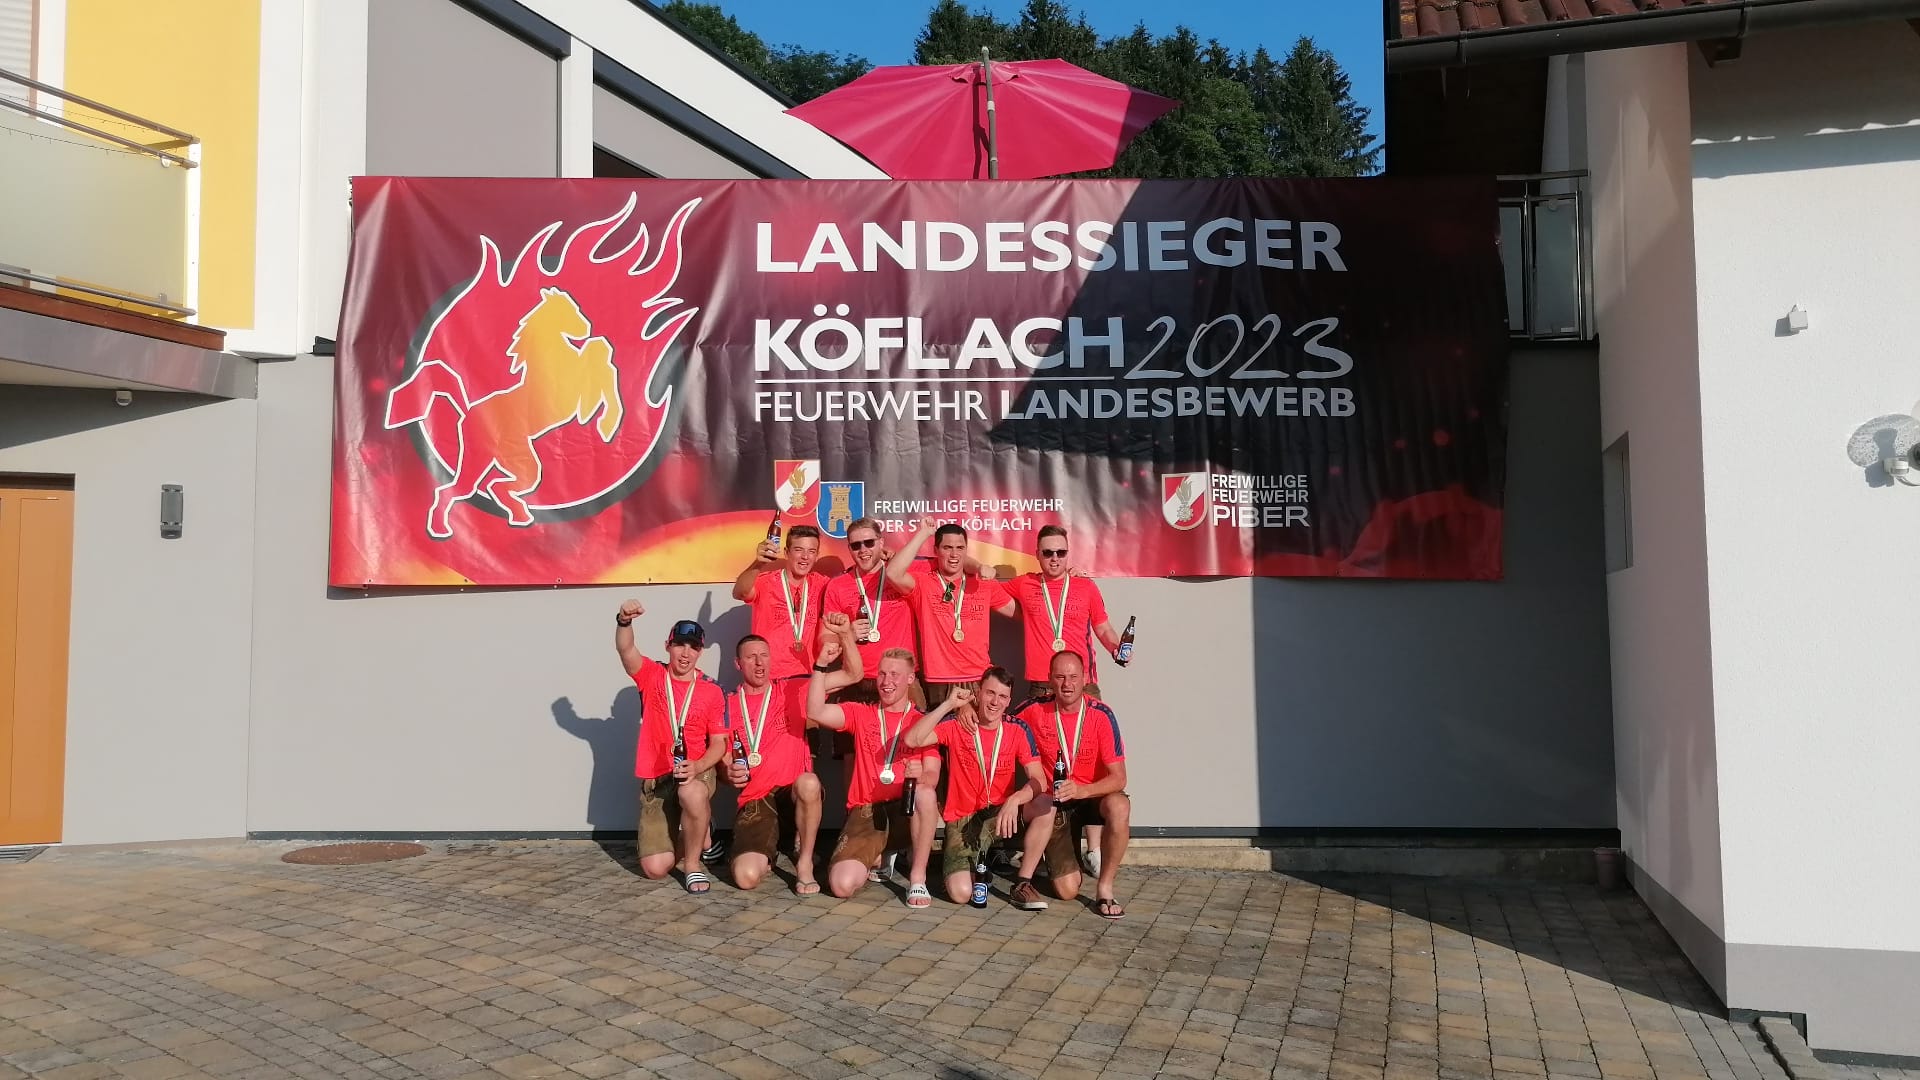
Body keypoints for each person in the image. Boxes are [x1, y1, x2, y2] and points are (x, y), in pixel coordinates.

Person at [805, 618, 942, 907]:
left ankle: (917, 879)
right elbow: (815, 711)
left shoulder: (921, 722)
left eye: (895, 675)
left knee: (926, 795)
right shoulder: (861, 713)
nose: (886, 681)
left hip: (904, 811)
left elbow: (932, 776)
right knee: (841, 885)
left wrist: (921, 776)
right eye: (882, 674)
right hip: (867, 812)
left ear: (910, 679)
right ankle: (882, 853)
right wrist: (820, 666)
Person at [903, 666, 1054, 910]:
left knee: (1046, 804)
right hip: (964, 820)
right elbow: (912, 739)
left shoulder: (1017, 729)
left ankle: (1022, 884)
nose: (995, 702)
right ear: (979, 693)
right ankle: (978, 866)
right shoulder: (957, 724)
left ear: (1009, 701)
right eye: (990, 693)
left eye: (1002, 696)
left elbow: (1039, 780)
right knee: (961, 893)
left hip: (1000, 816)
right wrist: (949, 705)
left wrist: (1015, 799)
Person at [612, 601, 730, 894]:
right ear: (668, 646)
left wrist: (698, 765)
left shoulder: (712, 690)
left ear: (700, 651)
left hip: (695, 772)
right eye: (680, 645)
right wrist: (624, 621)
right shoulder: (652, 675)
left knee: (691, 793)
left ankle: (693, 865)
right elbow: (626, 650)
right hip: (658, 777)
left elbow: (719, 743)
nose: (686, 653)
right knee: (656, 869)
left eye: (693, 647)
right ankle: (701, 828)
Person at [1010, 650, 1131, 920]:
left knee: (1120, 806)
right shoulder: (1034, 709)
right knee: (1067, 891)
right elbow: (998, 723)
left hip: (1091, 796)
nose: (1067, 684)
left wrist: (1083, 790)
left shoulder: (1101, 714)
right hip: (1056, 804)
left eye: (1074, 677)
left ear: (1085, 678)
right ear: (1049, 679)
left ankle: (1105, 888)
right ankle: (1054, 859)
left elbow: (1119, 778)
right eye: (1060, 677)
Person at [726, 633, 829, 896]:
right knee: (746, 877)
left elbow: (853, 674)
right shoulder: (727, 705)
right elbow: (723, 761)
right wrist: (727, 772)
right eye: (751, 657)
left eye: (764, 655)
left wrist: (832, 652)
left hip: (790, 794)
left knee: (809, 783)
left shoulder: (793, 689)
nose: (759, 663)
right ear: (738, 664)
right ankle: (769, 850)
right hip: (757, 800)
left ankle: (804, 863)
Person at [990, 525, 1126, 702]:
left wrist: (1116, 648)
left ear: (1068, 554)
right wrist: (978, 569)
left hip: (1082, 683)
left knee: (1093, 722)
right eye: (1048, 553)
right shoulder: (1025, 583)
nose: (1055, 558)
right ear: (1037, 554)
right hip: (1042, 685)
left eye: (1061, 553)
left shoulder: (1086, 586)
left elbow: (1103, 628)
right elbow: (989, 593)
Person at [884, 517, 1009, 709]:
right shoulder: (923, 583)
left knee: (977, 730)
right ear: (936, 551)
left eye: (960, 548)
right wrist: (923, 534)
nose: (954, 554)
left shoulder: (984, 584)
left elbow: (1021, 613)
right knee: (938, 729)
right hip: (938, 681)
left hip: (977, 678)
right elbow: (893, 573)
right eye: (947, 548)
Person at [819, 516, 921, 708]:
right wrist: (847, 636)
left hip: (901, 680)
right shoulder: (837, 585)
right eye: (856, 545)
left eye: (869, 543)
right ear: (849, 549)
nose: (863, 550)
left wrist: (978, 567)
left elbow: (948, 559)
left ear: (881, 543)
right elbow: (825, 638)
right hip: (856, 680)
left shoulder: (901, 575)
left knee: (910, 729)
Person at [733, 522, 830, 718]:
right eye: (799, 550)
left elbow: (851, 586)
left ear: (817, 555)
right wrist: (758, 563)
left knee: (805, 736)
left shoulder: (823, 585)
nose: (805, 557)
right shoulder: (765, 581)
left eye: (811, 551)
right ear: (786, 552)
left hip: (807, 680)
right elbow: (739, 592)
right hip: (769, 679)